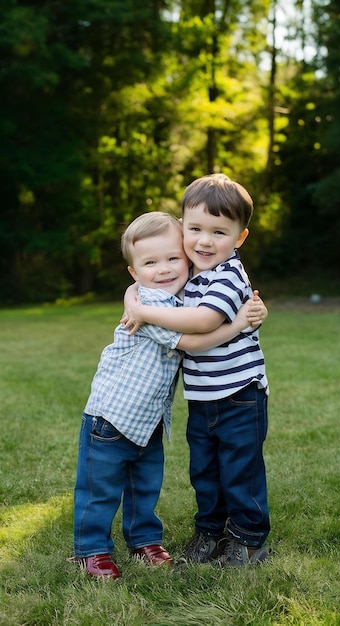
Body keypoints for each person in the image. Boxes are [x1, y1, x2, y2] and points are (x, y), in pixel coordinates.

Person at [73, 211, 267, 580]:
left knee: (144, 485)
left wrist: (256, 307)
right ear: (134, 273)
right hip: (111, 416)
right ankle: (92, 550)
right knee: (100, 489)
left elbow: (218, 291)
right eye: (150, 263)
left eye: (172, 259)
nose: (163, 269)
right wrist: (240, 323)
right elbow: (194, 340)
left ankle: (144, 541)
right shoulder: (154, 309)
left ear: (187, 258)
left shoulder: (178, 297)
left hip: (149, 420)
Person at [122, 174, 270, 568]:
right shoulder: (190, 271)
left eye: (219, 232)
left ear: (239, 238)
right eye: (195, 229)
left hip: (240, 393)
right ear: (183, 228)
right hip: (203, 396)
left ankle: (248, 539)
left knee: (240, 469)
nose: (204, 241)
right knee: (204, 471)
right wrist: (131, 299)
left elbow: (203, 321)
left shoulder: (227, 274)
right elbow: (142, 280)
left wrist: (141, 312)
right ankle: (210, 530)